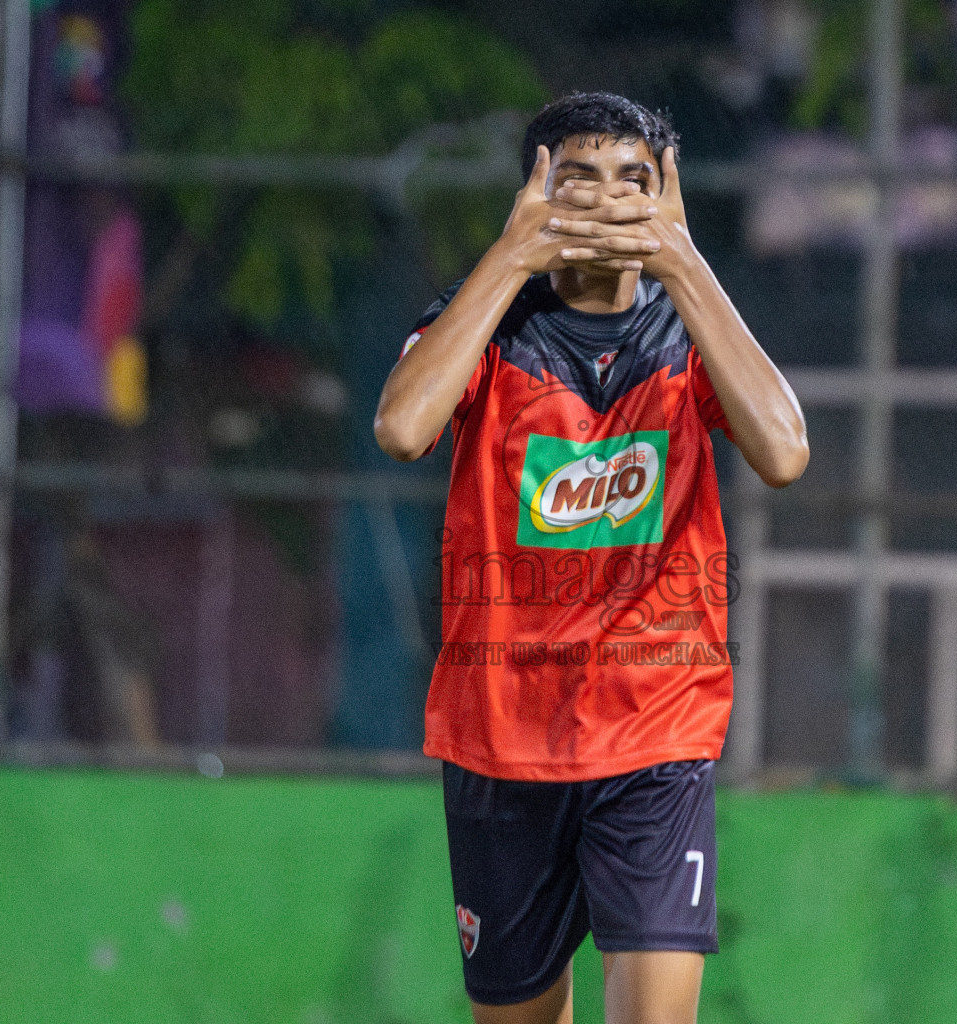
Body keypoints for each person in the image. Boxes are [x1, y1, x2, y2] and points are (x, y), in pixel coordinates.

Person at [374, 92, 808, 1024]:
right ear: (537, 195)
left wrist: (685, 262)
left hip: (655, 732)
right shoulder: (486, 326)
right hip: (502, 737)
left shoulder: (689, 338)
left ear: (666, 199)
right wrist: (512, 256)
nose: (611, 201)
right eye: (580, 179)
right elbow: (404, 426)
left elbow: (784, 453)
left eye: (634, 182)